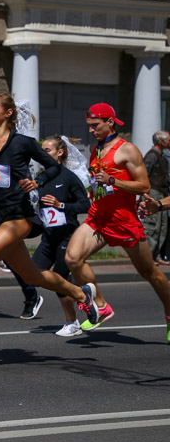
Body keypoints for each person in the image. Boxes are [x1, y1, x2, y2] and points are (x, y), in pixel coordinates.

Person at [0, 94, 99, 358]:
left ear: (8, 113)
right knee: (33, 276)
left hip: (19, 216)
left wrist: (37, 182)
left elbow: (54, 167)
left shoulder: (23, 143)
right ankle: (81, 294)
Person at [64, 103, 170, 338]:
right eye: (89, 126)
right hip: (98, 217)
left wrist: (113, 182)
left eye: (95, 125)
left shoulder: (127, 150)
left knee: (149, 272)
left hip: (123, 221)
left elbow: (144, 185)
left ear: (110, 122)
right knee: (72, 258)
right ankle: (101, 306)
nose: (91, 130)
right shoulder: (97, 149)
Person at [32, 136, 92, 335]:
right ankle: (79, 291)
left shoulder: (68, 177)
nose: (43, 154)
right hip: (48, 237)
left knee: (58, 280)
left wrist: (61, 205)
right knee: (33, 274)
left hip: (68, 236)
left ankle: (72, 323)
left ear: (60, 152)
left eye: (47, 150)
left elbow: (85, 204)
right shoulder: (41, 177)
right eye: (42, 151)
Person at [142, 131, 169, 260]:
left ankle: (156, 256)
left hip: (161, 193)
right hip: (153, 193)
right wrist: (144, 195)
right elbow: (144, 175)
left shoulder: (162, 156)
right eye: (168, 140)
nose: (169, 142)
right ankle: (148, 258)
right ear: (161, 141)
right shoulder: (152, 156)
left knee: (162, 226)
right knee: (152, 226)